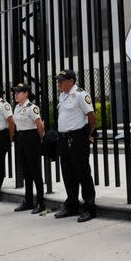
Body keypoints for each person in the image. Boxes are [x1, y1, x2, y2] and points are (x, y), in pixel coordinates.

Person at [53, 69, 97, 222]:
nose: (59, 83)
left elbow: (92, 116)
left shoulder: (80, 94)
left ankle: (89, 207)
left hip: (78, 138)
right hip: (64, 139)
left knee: (82, 172)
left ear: (71, 81)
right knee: (68, 172)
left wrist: (88, 134)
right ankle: (72, 204)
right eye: (58, 80)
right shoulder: (63, 95)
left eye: (61, 80)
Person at [12, 83, 46, 214]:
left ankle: (41, 202)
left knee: (35, 171)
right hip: (21, 138)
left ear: (26, 93)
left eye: (18, 92)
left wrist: (39, 139)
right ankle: (28, 201)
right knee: (25, 171)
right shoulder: (16, 107)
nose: (16, 95)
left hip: (31, 138)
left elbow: (40, 125)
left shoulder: (32, 108)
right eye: (15, 92)